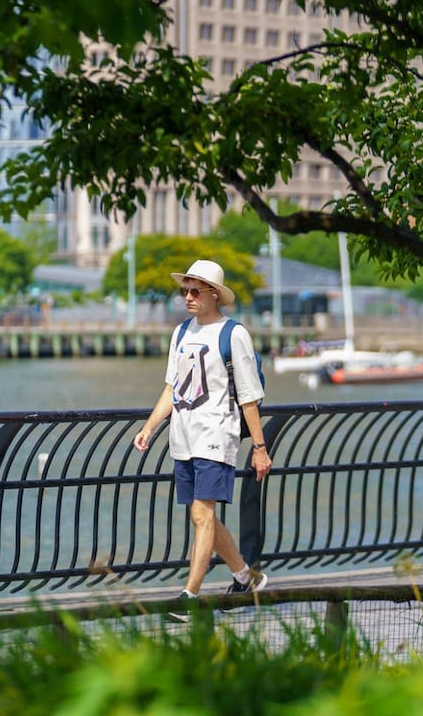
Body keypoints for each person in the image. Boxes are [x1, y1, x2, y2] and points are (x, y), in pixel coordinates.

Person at [133, 259, 272, 621]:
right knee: (202, 516)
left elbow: (248, 397)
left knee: (201, 513)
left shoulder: (233, 334)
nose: (188, 297)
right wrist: (149, 427)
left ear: (214, 294)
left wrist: (259, 448)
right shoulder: (181, 332)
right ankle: (244, 576)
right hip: (183, 437)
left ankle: (190, 596)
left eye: (195, 291)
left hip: (216, 435)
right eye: (185, 290)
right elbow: (171, 387)